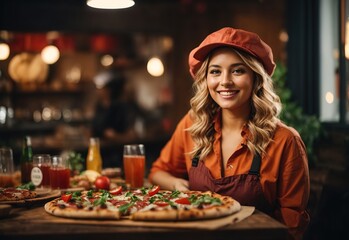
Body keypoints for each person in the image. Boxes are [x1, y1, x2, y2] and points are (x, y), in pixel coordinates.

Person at [149, 27, 310, 239]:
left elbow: (292, 224)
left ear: (255, 78)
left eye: (237, 70)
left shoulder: (284, 140)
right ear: (206, 80)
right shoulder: (192, 125)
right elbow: (157, 172)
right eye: (215, 71)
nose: (225, 81)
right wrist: (178, 184)